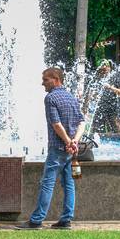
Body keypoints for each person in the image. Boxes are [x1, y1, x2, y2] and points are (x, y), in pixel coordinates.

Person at [18, 67, 81, 230]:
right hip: (70, 150)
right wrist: (74, 141)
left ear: (56, 79)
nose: (42, 83)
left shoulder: (50, 98)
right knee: (69, 184)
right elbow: (82, 122)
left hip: (58, 148)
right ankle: (66, 219)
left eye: (46, 79)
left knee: (47, 183)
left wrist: (67, 141)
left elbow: (56, 124)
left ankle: (36, 220)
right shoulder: (71, 97)